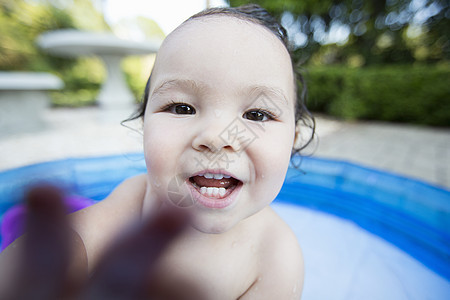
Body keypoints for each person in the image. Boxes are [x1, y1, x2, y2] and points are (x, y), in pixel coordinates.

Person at [0, 4, 314, 299]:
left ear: (293, 141)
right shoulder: (139, 197)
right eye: (182, 107)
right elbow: (77, 239)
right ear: (144, 125)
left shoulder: (276, 258)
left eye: (257, 115)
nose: (216, 138)